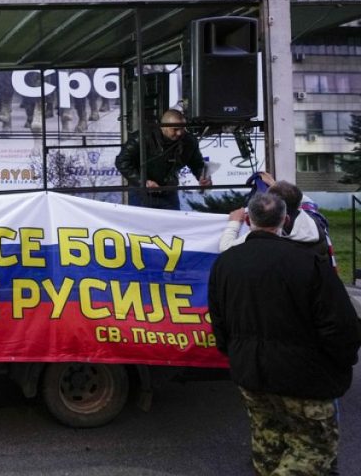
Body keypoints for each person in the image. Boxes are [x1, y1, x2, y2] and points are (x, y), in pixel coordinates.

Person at [208, 192, 361, 476]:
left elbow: (219, 320)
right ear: (285, 219)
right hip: (305, 379)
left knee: (268, 446)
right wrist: (340, 362)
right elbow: (342, 326)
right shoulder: (309, 263)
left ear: (249, 220)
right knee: (314, 451)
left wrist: (237, 354)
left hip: (250, 373)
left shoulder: (225, 264)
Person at [114, 109, 212, 210]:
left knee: (171, 224)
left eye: (182, 128)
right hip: (141, 193)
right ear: (163, 127)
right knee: (142, 224)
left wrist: (202, 177)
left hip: (169, 192)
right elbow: (121, 161)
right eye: (175, 129)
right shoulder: (142, 137)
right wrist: (143, 181)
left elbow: (197, 163)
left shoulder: (189, 141)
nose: (179, 133)